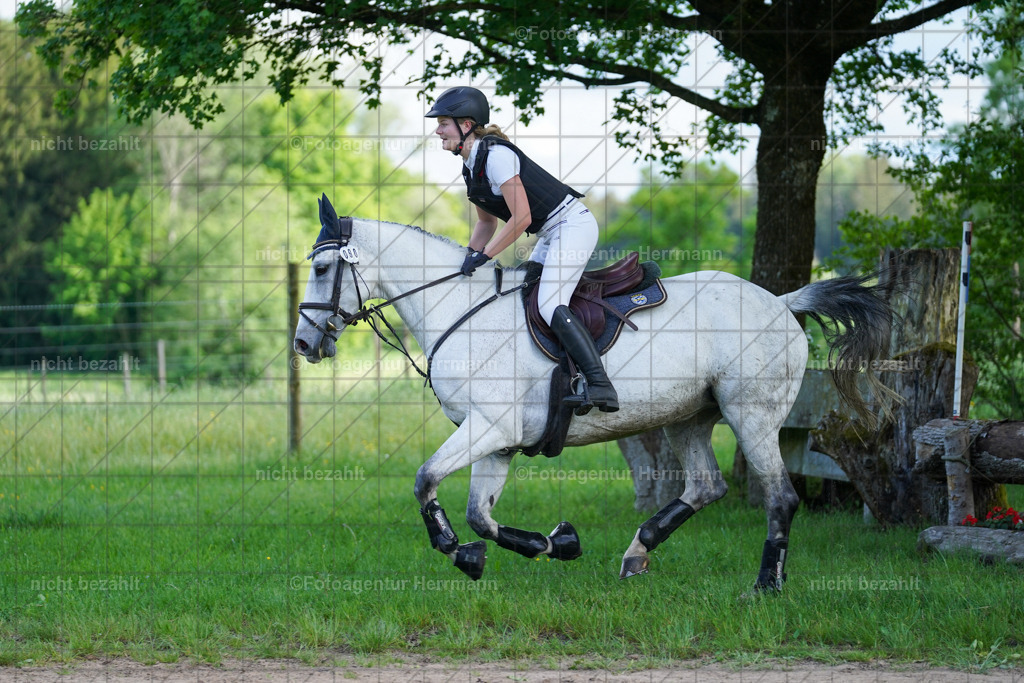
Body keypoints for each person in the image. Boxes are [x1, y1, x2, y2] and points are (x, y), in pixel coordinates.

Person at [425, 86, 618, 413]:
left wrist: (486, 257)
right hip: (550, 234)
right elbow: (486, 224)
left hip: (573, 226)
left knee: (548, 303)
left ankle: (601, 385)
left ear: (467, 125)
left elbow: (522, 217)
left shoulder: (497, 156)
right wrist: (465, 261)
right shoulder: (470, 167)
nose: (437, 130)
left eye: (444, 122)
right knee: (524, 296)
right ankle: (561, 375)